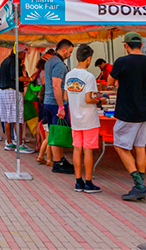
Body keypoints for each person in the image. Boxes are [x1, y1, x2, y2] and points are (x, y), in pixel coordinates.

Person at [107, 32, 146, 201]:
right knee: (140, 146)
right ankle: (140, 184)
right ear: (141, 45)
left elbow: (109, 82)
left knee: (120, 146)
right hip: (145, 110)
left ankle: (139, 184)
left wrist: (119, 81)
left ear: (126, 46)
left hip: (128, 111)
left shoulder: (122, 61)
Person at [65, 45, 104, 194]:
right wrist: (99, 100)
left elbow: (66, 97)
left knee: (77, 149)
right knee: (88, 150)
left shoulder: (69, 75)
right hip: (88, 119)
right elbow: (89, 98)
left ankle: (78, 181)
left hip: (75, 117)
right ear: (89, 59)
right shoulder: (89, 77)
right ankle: (88, 182)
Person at [43, 39, 75, 174]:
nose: (70, 55)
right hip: (56, 102)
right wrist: (61, 106)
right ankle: (58, 162)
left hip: (48, 101)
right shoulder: (59, 65)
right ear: (64, 49)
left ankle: (60, 159)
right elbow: (57, 86)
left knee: (55, 130)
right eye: (70, 52)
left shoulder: (50, 61)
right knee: (58, 131)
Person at [0, 46, 33, 153]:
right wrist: (30, 79)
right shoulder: (15, 61)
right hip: (12, 91)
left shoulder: (6, 60)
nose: (25, 55)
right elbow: (16, 77)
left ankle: (9, 142)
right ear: (20, 53)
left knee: (8, 118)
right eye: (25, 53)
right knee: (18, 118)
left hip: (3, 91)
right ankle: (20, 144)